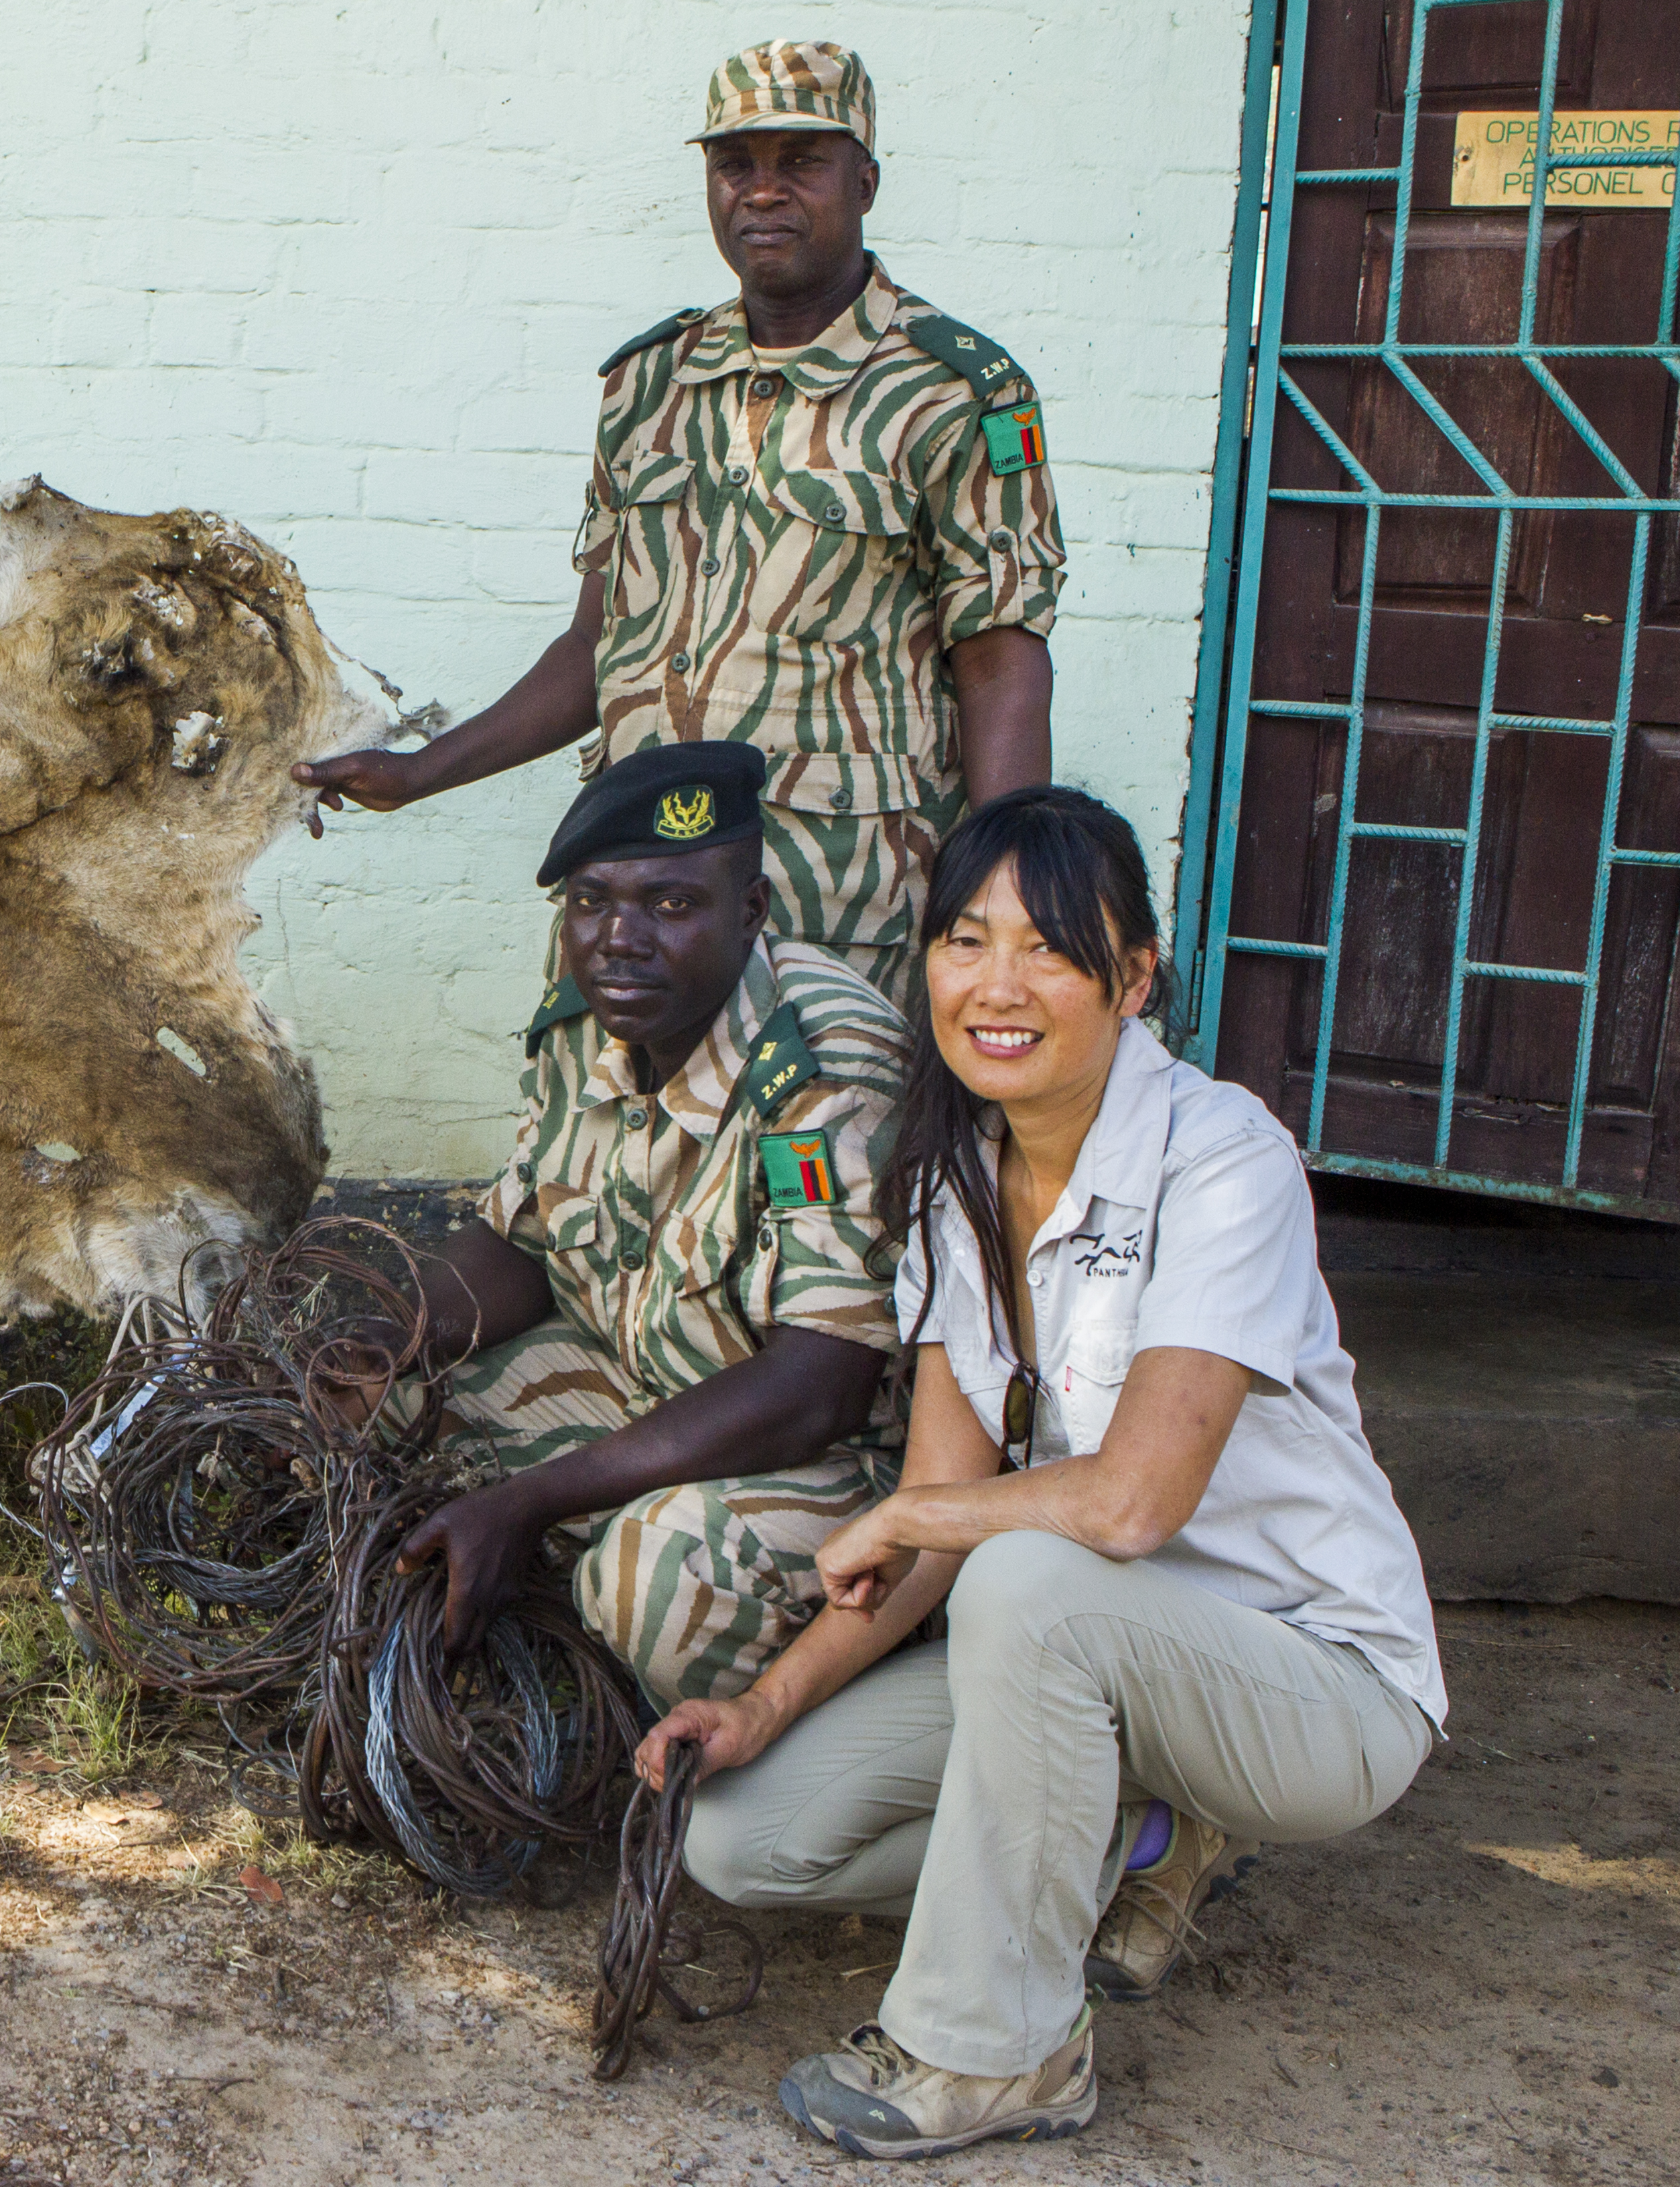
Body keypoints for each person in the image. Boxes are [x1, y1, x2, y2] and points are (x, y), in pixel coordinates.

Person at [632, 787, 1445, 2160]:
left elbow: (1128, 1504)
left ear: (1131, 980)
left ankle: (1000, 2048)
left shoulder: (1224, 1158)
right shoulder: (960, 1184)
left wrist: (918, 1509)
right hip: (1098, 1663)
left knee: (1028, 1572)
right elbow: (934, 1543)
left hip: (1317, 1693)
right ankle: (1141, 1831)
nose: (997, 986)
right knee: (749, 1841)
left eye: (1051, 950)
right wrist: (762, 1704)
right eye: (966, 939)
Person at [294, 40, 1062, 1001]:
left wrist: (1010, 896)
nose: (764, 191)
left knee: (820, 1147)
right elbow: (599, 643)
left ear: (864, 180)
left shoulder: (957, 394)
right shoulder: (648, 385)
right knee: (606, 1142)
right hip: (637, 876)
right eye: (736, 164)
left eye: (802, 163)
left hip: (839, 895)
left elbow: (999, 659)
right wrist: (417, 775)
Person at [345, 742, 913, 1708]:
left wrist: (531, 1499)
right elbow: (525, 1242)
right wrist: (381, 1340)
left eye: (673, 903)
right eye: (592, 900)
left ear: (753, 911)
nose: (621, 937)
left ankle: (822, 1697)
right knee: (377, 1409)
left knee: (649, 1580)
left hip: (823, 1459)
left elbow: (819, 1388)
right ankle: (543, 1646)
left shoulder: (818, 1069)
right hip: (638, 1392)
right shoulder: (590, 1014)